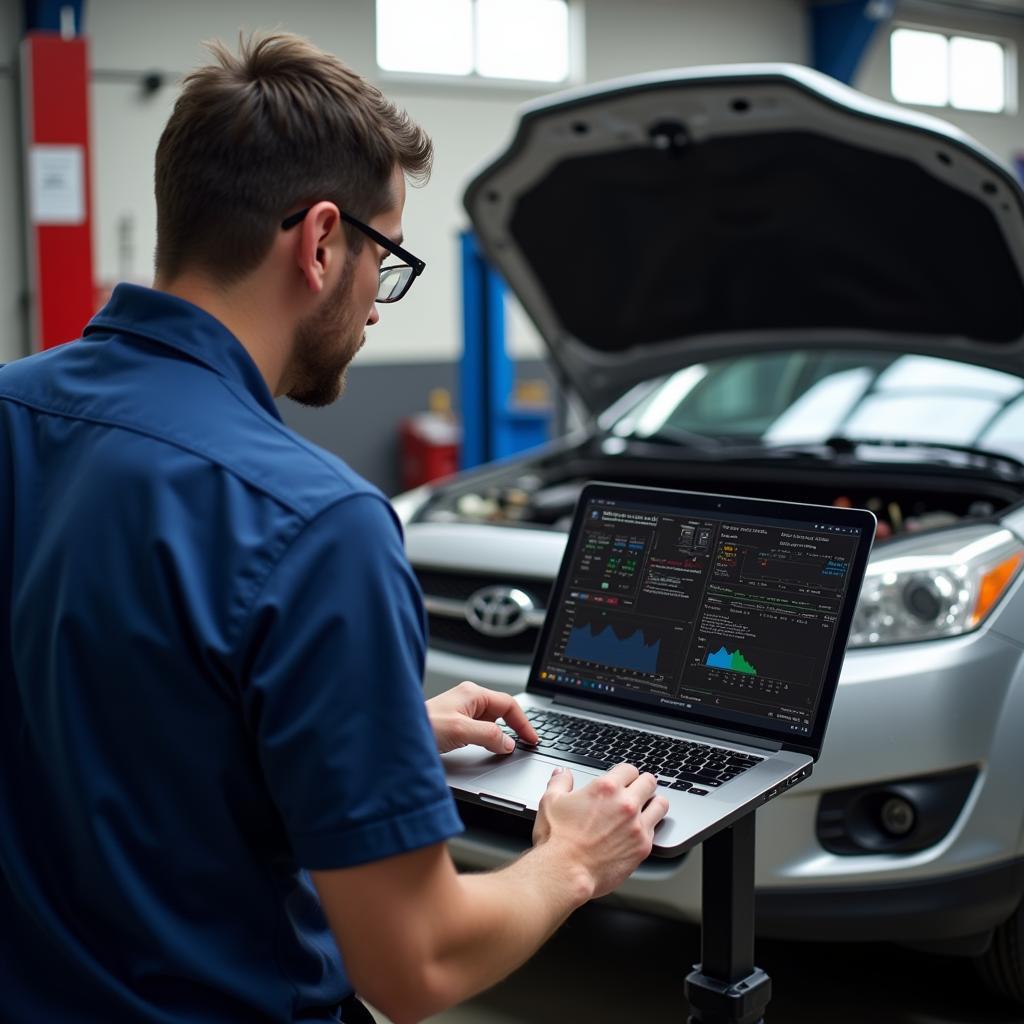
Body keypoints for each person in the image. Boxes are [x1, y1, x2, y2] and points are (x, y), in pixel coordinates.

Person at [0, 33, 669, 1024]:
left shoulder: (14, 409)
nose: (375, 308)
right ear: (320, 241)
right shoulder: (318, 523)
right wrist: (570, 859)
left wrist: (368, 741)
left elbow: (105, 703)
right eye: (386, 258)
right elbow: (416, 962)